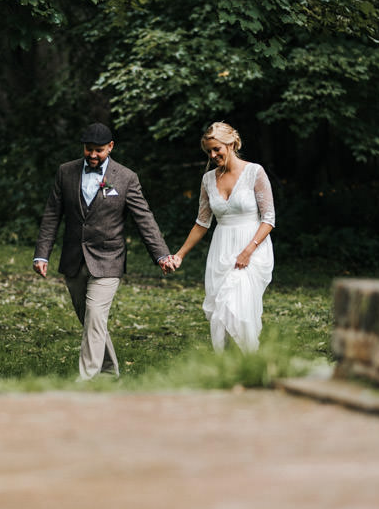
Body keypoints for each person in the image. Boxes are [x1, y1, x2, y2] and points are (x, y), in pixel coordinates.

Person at [34, 123, 175, 380]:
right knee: (90, 319)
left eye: (99, 150)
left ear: (110, 147)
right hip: (74, 259)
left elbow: (144, 218)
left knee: (96, 315)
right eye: (89, 149)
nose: (93, 155)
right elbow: (52, 215)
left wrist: (161, 255)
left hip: (109, 258)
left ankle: (86, 378)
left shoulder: (126, 178)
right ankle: (109, 371)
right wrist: (42, 254)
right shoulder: (66, 172)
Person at [169, 122, 275, 352]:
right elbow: (202, 222)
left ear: (232, 144)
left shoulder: (254, 172)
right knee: (221, 310)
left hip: (252, 246)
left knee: (239, 307)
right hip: (221, 248)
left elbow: (269, 219)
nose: (213, 155)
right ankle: (226, 364)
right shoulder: (208, 180)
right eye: (209, 151)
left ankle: (250, 361)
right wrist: (180, 255)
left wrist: (248, 251)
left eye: (217, 149)